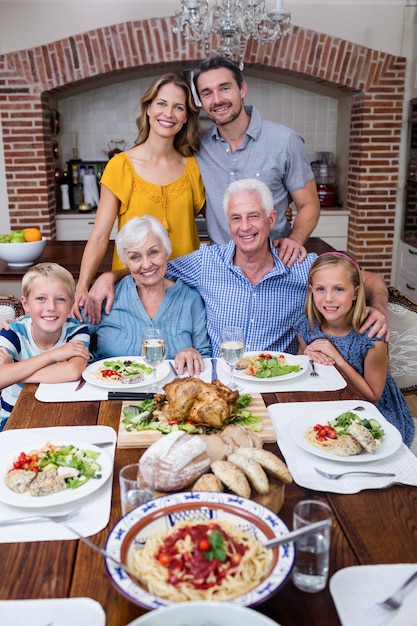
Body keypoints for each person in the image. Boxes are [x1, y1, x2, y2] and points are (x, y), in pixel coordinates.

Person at [78, 179, 389, 356]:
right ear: (227, 224)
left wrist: (378, 309)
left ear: (271, 219)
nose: (245, 227)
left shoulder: (299, 266)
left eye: (253, 216)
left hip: (276, 380)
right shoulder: (205, 263)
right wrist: (109, 275)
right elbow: (151, 266)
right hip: (221, 381)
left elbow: (369, 280)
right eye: (236, 218)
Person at [72, 72, 205, 319]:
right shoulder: (120, 166)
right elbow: (100, 236)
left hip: (186, 293)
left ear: (186, 117)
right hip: (132, 289)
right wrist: (83, 284)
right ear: (148, 108)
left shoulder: (195, 167)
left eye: (178, 107)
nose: (169, 113)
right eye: (162, 104)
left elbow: (224, 223)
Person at [192, 54, 321, 268]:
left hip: (275, 263)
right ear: (201, 101)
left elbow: (309, 204)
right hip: (220, 269)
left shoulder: (285, 142)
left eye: (225, 88)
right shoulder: (198, 147)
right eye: (207, 93)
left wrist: (295, 239)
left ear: (242, 89)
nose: (217, 100)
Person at [295, 252, 414, 446]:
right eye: (320, 289)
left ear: (356, 293)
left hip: (371, 413)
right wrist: (305, 356)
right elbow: (302, 371)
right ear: (311, 291)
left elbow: (372, 397)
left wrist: (338, 358)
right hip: (325, 404)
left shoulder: (372, 337)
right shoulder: (307, 326)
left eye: (339, 289)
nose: (328, 298)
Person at [83, 215, 211, 375]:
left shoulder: (190, 299)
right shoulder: (106, 295)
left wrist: (193, 354)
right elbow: (74, 340)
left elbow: (205, 355)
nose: (146, 264)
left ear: (166, 251)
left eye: (153, 252)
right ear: (125, 261)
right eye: (135, 257)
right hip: (110, 392)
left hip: (170, 393)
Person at [0, 263, 90, 429]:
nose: (50, 307)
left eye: (60, 299)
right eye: (41, 298)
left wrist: (13, 372)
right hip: (12, 422)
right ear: (26, 304)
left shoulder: (76, 330)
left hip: (59, 418)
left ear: (71, 304)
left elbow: (72, 371)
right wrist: (52, 355)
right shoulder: (13, 331)